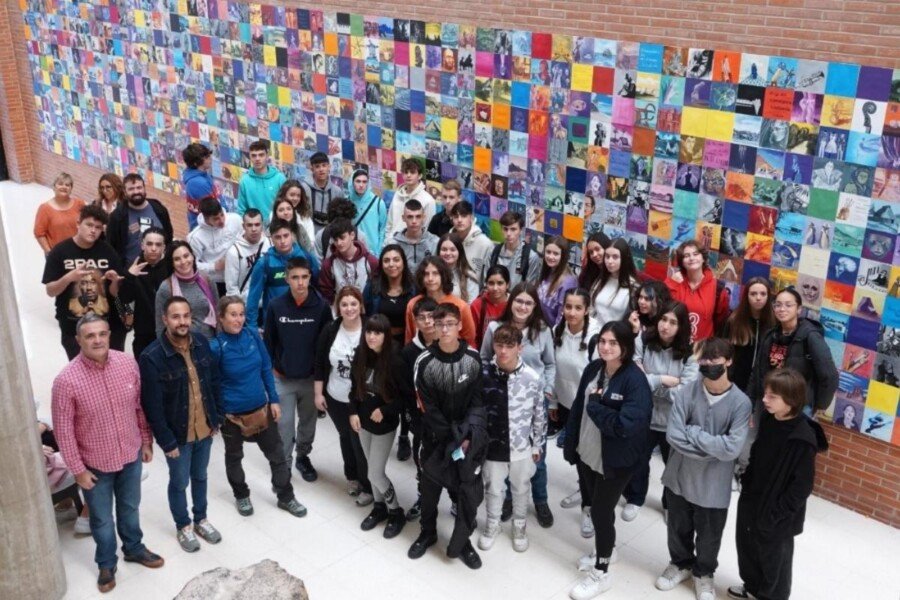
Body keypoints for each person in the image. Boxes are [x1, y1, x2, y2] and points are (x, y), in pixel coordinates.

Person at [51, 314, 164, 593]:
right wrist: (78, 471)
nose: (97, 340)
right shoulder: (66, 381)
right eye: (90, 336)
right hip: (95, 465)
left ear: (109, 334)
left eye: (102, 333)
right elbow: (63, 431)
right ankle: (106, 563)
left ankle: (134, 548)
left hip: (130, 454)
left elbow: (138, 407)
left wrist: (146, 442)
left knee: (130, 508)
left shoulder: (127, 363)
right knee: (101, 518)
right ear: (78, 341)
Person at [563, 320, 653, 600]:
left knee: (602, 513)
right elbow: (579, 407)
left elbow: (625, 425)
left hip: (616, 461)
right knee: (595, 509)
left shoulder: (635, 382)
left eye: (613, 343)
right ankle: (608, 551)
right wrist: (571, 443)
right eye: (602, 341)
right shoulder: (594, 368)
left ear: (625, 347)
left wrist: (597, 407)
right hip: (588, 452)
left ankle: (601, 573)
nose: (605, 347)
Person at [656, 338, 751, 600]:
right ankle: (681, 564)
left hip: (713, 485)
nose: (708, 365)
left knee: (709, 537)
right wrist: (713, 449)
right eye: (704, 360)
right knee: (677, 527)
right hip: (679, 476)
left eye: (715, 360)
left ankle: (703, 574)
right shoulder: (688, 392)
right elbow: (674, 436)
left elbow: (732, 449)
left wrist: (694, 434)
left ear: (729, 361)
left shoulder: (741, 403)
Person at [728, 369, 828, 600]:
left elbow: (802, 487)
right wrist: (747, 479)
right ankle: (752, 587)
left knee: (775, 560)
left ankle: (771, 596)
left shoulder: (803, 438)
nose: (764, 400)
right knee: (747, 547)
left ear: (791, 400)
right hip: (753, 498)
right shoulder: (769, 418)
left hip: (777, 511)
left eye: (772, 396)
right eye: (765, 394)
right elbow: (759, 452)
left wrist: (777, 513)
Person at [140, 297, 225, 553]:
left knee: (200, 476)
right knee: (179, 482)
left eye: (186, 316)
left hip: (205, 427)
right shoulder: (152, 356)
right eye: (176, 317)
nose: (182, 322)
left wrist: (217, 418)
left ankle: (201, 519)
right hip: (178, 436)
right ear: (165, 319)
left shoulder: (201, 343)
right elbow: (152, 406)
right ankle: (183, 525)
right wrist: (166, 441)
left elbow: (214, 382)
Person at [209, 296, 307, 518]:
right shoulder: (215, 348)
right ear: (221, 318)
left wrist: (273, 399)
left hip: (261, 410)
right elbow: (212, 385)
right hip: (231, 416)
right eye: (233, 315)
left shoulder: (253, 335)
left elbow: (265, 367)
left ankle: (286, 496)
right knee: (234, 457)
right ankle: (241, 495)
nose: (238, 319)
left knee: (277, 455)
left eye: (241, 314)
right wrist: (217, 415)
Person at [407, 302, 486, 570]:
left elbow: (477, 402)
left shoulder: (473, 359)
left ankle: (463, 542)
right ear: (434, 327)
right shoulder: (424, 362)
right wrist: (452, 441)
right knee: (428, 495)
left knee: (463, 495)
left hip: (465, 442)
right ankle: (427, 532)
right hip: (433, 441)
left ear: (460, 325)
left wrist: (466, 438)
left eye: (450, 323)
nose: (445, 328)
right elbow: (428, 408)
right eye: (439, 324)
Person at [481, 282, 556, 528]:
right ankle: (510, 499)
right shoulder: (495, 327)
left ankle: (541, 500)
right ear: (510, 301)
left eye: (528, 302)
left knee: (536, 455)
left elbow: (549, 363)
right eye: (519, 301)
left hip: (531, 400)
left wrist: (546, 390)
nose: (522, 306)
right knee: (505, 455)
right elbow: (484, 359)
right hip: (501, 399)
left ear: (535, 306)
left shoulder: (542, 330)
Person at [623, 301, 699, 522]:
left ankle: (669, 504)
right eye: (664, 319)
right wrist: (663, 381)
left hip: (672, 422)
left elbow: (685, 392)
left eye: (673, 322)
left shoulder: (689, 354)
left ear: (681, 326)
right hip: (644, 416)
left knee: (672, 467)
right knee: (638, 460)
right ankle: (635, 498)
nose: (666, 326)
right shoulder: (645, 341)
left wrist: (651, 385)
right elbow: (634, 377)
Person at [264, 257, 333, 481]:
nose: (300, 282)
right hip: (282, 378)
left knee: (308, 424)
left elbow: (326, 347)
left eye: (304, 277)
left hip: (311, 380)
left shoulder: (321, 307)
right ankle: (284, 464)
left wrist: (322, 383)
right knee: (283, 427)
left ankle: (303, 456)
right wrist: (270, 377)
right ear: (287, 279)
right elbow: (269, 345)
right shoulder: (276, 306)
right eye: (295, 277)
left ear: (310, 277)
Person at [478, 324, 547, 552]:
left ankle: (519, 526)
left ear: (520, 347)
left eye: (510, 346)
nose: (504, 351)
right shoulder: (484, 374)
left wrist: (538, 444)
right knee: (494, 487)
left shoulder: (532, 377)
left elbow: (539, 413)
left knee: (520, 487)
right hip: (493, 445)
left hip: (521, 446)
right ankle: (493, 524)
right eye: (499, 345)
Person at [314, 286, 374, 505]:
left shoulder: (370, 327)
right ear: (338, 307)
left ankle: (367, 485)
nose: (349, 308)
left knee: (359, 442)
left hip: (361, 399)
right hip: (335, 397)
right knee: (345, 437)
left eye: (353, 303)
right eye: (344, 304)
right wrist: (318, 394)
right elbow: (320, 363)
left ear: (361, 305)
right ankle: (352, 478)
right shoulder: (331, 329)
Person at [349, 314, 408, 537]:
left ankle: (396, 511)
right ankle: (379, 507)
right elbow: (354, 387)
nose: (372, 337)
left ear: (386, 335)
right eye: (369, 332)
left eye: (377, 332)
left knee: (375, 474)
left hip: (385, 425)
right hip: (362, 422)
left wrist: (384, 410)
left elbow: (405, 398)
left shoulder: (395, 359)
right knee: (371, 469)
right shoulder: (361, 354)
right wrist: (353, 411)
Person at [42, 204, 126, 359]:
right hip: (73, 327)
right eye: (89, 225)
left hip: (106, 325)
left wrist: (114, 281)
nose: (93, 230)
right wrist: (69, 278)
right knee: (81, 375)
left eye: (98, 227)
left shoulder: (107, 251)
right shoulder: (60, 251)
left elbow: (115, 293)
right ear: (78, 224)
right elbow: (50, 291)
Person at [747, 287, 838, 416]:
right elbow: (757, 371)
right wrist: (750, 403)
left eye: (788, 305)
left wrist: (821, 404)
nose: (782, 309)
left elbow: (829, 375)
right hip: (770, 404)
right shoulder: (770, 335)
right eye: (778, 305)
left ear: (799, 309)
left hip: (798, 406)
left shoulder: (810, 336)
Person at [551, 288, 596, 520]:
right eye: (568, 306)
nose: (572, 312)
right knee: (575, 453)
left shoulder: (595, 336)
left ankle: (590, 507)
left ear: (587, 309)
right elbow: (554, 370)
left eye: (578, 307)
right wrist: (554, 402)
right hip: (567, 403)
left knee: (587, 456)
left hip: (589, 409)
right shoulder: (556, 331)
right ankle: (584, 490)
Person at [398, 297, 439, 520]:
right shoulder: (408, 352)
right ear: (415, 321)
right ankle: (423, 498)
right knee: (422, 461)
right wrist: (414, 418)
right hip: (421, 420)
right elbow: (406, 392)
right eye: (421, 318)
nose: (427, 322)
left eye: (432, 316)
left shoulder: (450, 345)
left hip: (448, 420)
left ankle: (454, 499)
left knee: (451, 461)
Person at [245, 218, 320, 329]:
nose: (283, 241)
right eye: (278, 237)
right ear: (271, 238)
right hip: (275, 324)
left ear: (292, 235)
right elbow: (253, 298)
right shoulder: (264, 263)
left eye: (286, 235)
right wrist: (252, 328)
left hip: (303, 320)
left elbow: (317, 289)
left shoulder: (307, 258)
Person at [118, 227, 169, 358]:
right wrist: (130, 277)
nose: (153, 248)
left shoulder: (170, 267)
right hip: (143, 335)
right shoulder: (132, 267)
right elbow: (124, 299)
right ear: (142, 245)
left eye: (158, 245)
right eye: (149, 243)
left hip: (169, 332)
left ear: (164, 247)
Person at [665, 240, 731, 343]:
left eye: (696, 254)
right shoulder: (674, 283)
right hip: (674, 346)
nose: (691, 258)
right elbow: (663, 308)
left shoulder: (717, 288)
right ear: (682, 261)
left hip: (702, 350)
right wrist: (672, 283)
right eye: (686, 256)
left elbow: (721, 320)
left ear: (703, 258)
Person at [404, 257, 477, 347]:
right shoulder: (413, 304)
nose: (430, 278)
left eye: (435, 273)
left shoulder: (461, 306)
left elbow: (469, 340)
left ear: (443, 276)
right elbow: (409, 338)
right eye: (426, 274)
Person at [154, 241, 219, 339]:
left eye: (186, 256)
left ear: (192, 256)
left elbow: (218, 313)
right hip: (182, 346)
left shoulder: (206, 279)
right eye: (177, 259)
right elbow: (160, 326)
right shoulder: (166, 288)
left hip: (210, 343)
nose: (183, 261)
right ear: (172, 263)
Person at [721, 277, 774, 393]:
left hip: (763, 384)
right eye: (753, 294)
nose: (758, 298)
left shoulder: (774, 323)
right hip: (736, 381)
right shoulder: (734, 321)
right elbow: (724, 351)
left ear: (768, 296)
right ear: (746, 296)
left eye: (763, 294)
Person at [106, 173, 174, 265]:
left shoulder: (158, 208)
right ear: (125, 192)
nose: (136, 192)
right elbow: (111, 247)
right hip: (132, 273)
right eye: (131, 189)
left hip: (160, 267)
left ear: (144, 188)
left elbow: (169, 236)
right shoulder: (117, 217)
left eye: (139, 187)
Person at [187, 198, 243, 296]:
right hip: (217, 282)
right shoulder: (195, 238)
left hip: (239, 275)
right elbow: (191, 265)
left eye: (222, 215)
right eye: (216, 219)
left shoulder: (236, 219)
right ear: (206, 218)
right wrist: (214, 266)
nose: (222, 221)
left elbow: (244, 240)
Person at [363, 244, 417, 345]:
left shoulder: (414, 288)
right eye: (386, 260)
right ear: (381, 264)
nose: (391, 264)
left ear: (403, 262)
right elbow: (364, 315)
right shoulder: (372, 287)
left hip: (407, 342)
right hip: (378, 342)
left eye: (396, 260)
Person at [319, 218, 380, 304]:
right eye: (335, 240)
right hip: (340, 312)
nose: (339, 243)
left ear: (352, 235)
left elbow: (377, 289)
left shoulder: (370, 261)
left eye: (342, 238)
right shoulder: (329, 264)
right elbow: (326, 293)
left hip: (365, 311)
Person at [590, 238, 638, 327]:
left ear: (624, 258)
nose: (609, 261)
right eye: (607, 256)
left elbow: (634, 320)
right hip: (594, 332)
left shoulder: (633, 286)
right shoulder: (601, 279)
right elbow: (592, 308)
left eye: (615, 257)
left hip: (616, 336)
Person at [224, 209, 271, 301]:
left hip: (270, 303)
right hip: (248, 305)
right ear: (243, 226)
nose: (254, 229)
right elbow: (231, 288)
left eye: (257, 224)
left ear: (262, 225)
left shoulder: (270, 243)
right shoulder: (234, 252)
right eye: (249, 225)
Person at [34, 172, 86, 254]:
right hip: (57, 254)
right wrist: (49, 253)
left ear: (71, 189)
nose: (64, 187)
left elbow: (87, 225)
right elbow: (39, 233)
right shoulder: (44, 208)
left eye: (67, 185)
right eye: (60, 184)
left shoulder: (80, 204)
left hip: (80, 251)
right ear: (54, 187)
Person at [489, 211, 541, 288]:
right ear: (501, 230)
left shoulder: (531, 257)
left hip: (516, 299)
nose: (509, 234)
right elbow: (487, 282)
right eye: (505, 229)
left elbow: (529, 290)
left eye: (513, 229)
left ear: (521, 230)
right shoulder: (493, 252)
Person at [387, 157, 436, 237]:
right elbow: (390, 223)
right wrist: (387, 242)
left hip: (414, 245)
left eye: (412, 172)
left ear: (420, 176)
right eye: (406, 172)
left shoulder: (428, 200)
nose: (408, 175)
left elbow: (427, 230)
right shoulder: (397, 194)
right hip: (393, 244)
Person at [236, 139, 286, 217]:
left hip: (277, 226)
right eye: (254, 155)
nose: (257, 159)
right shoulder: (244, 181)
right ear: (250, 157)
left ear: (267, 156)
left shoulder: (280, 178)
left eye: (261, 155)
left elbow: (287, 206)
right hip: (254, 227)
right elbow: (241, 210)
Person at [538, 235, 579, 326]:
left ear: (563, 256)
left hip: (553, 332)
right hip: (541, 326)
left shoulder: (568, 282)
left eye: (556, 254)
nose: (550, 256)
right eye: (548, 252)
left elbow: (562, 317)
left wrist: (555, 336)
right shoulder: (547, 270)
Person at [450, 200, 492, 286]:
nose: (459, 220)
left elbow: (489, 278)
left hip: (475, 292)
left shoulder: (485, 244)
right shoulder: (448, 240)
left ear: (472, 218)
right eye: (456, 216)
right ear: (452, 219)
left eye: (464, 216)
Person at [392, 199, 439, 277]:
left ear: (423, 217)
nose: (414, 221)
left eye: (418, 216)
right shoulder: (393, 243)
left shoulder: (435, 242)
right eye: (410, 217)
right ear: (403, 218)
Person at [347, 168, 387, 255]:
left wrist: (379, 251)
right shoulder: (346, 202)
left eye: (364, 182)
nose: (361, 185)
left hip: (372, 251)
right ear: (352, 182)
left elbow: (383, 229)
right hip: (352, 250)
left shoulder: (378, 203)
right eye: (358, 181)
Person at [302, 151, 345, 230]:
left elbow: (340, 218)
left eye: (324, 165)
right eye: (317, 166)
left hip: (330, 234)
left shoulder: (337, 191)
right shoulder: (304, 189)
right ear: (312, 169)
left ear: (329, 167)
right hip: (308, 234)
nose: (321, 169)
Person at [471, 265, 511, 349]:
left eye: (500, 283)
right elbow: (472, 336)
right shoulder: (478, 304)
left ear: (507, 284)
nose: (495, 288)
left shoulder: (513, 304)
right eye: (491, 283)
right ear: (486, 284)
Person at [181, 143, 219, 231]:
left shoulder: (204, 175)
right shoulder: (198, 183)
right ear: (196, 163)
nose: (210, 159)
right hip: (207, 231)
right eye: (206, 157)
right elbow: (213, 210)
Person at [271, 180, 316, 251]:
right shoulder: (274, 214)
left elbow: (310, 242)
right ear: (283, 195)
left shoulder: (304, 216)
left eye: (298, 196)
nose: (295, 198)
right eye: (292, 195)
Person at [438, 233, 480, 302]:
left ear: (459, 252)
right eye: (444, 249)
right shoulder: (432, 274)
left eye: (452, 250)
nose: (448, 253)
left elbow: (472, 305)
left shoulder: (469, 276)